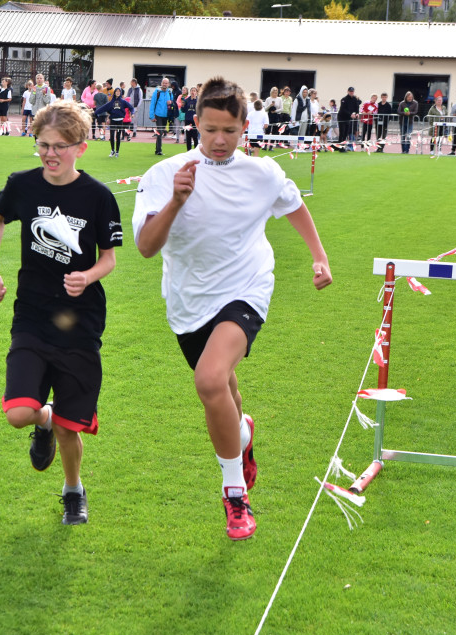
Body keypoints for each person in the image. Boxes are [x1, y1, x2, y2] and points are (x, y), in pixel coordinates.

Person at [131, 76, 332, 540]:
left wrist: (319, 257)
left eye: (230, 131)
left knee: (208, 380)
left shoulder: (261, 173)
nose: (219, 141)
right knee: (224, 394)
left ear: (246, 127)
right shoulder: (164, 175)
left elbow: (294, 205)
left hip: (247, 287)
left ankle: (234, 494)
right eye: (210, 130)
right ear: (195, 123)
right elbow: (145, 247)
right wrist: (178, 200)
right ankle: (242, 435)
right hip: (187, 300)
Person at [0, 99, 122, 526]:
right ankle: (40, 418)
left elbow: (110, 259)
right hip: (32, 316)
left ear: (81, 147)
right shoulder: (22, 185)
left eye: (60, 146)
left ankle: (73, 491)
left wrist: (88, 276)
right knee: (17, 413)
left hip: (80, 324)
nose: (50, 154)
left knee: (69, 428)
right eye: (43, 144)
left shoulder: (98, 197)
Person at [94, 86, 134, 157]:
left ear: (120, 93)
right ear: (114, 93)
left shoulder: (123, 101)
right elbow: (103, 108)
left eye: (119, 91)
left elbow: (131, 107)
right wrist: (96, 112)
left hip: (120, 121)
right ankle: (112, 150)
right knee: (112, 136)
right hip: (113, 121)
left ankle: (117, 152)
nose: (118, 92)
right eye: (116, 91)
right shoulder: (111, 102)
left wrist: (132, 113)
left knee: (118, 136)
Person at [150, 78, 175, 156]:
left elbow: (173, 104)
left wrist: (171, 102)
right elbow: (152, 104)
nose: (165, 84)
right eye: (163, 83)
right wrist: (151, 116)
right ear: (161, 83)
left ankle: (157, 150)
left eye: (166, 83)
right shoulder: (157, 92)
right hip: (158, 115)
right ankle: (159, 150)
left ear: (168, 84)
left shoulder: (170, 93)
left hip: (166, 116)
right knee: (160, 132)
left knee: (160, 133)